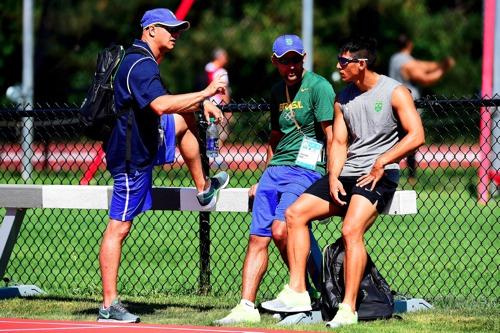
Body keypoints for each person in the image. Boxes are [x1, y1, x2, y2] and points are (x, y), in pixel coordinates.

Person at [262, 37, 425, 329]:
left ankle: (348, 308)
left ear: (361, 65)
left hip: (379, 174)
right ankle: (298, 291)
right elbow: (337, 141)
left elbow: (416, 135)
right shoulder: (342, 98)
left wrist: (382, 162)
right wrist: (334, 176)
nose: (338, 66)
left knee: (350, 230)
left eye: (345, 62)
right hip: (347, 173)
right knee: (294, 214)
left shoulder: (394, 92)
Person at [97, 8, 230, 323]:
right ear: (151, 29)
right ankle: (108, 305)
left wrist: (200, 103)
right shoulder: (141, 64)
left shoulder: (143, 61)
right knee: (119, 227)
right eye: (170, 28)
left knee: (184, 116)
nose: (176, 34)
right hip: (131, 158)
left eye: (179, 29)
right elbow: (159, 104)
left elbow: (168, 102)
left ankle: (203, 188)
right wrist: (206, 92)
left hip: (143, 144)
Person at [214, 34, 335, 325]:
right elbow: (275, 138)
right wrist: (263, 175)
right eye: (284, 61)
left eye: (295, 59)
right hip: (276, 170)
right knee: (258, 237)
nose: (290, 66)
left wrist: (331, 178)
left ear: (303, 59)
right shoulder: (275, 91)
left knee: (283, 230)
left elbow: (332, 136)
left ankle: (303, 292)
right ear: (275, 62)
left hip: (307, 170)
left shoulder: (319, 87)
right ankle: (246, 305)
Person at [388, 33, 454, 184]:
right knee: (412, 138)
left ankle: (401, 172)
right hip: (409, 105)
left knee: (400, 138)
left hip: (396, 103)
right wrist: (443, 69)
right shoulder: (407, 63)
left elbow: (423, 65)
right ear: (410, 44)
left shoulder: (395, 59)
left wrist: (440, 63)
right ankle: (410, 175)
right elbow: (425, 78)